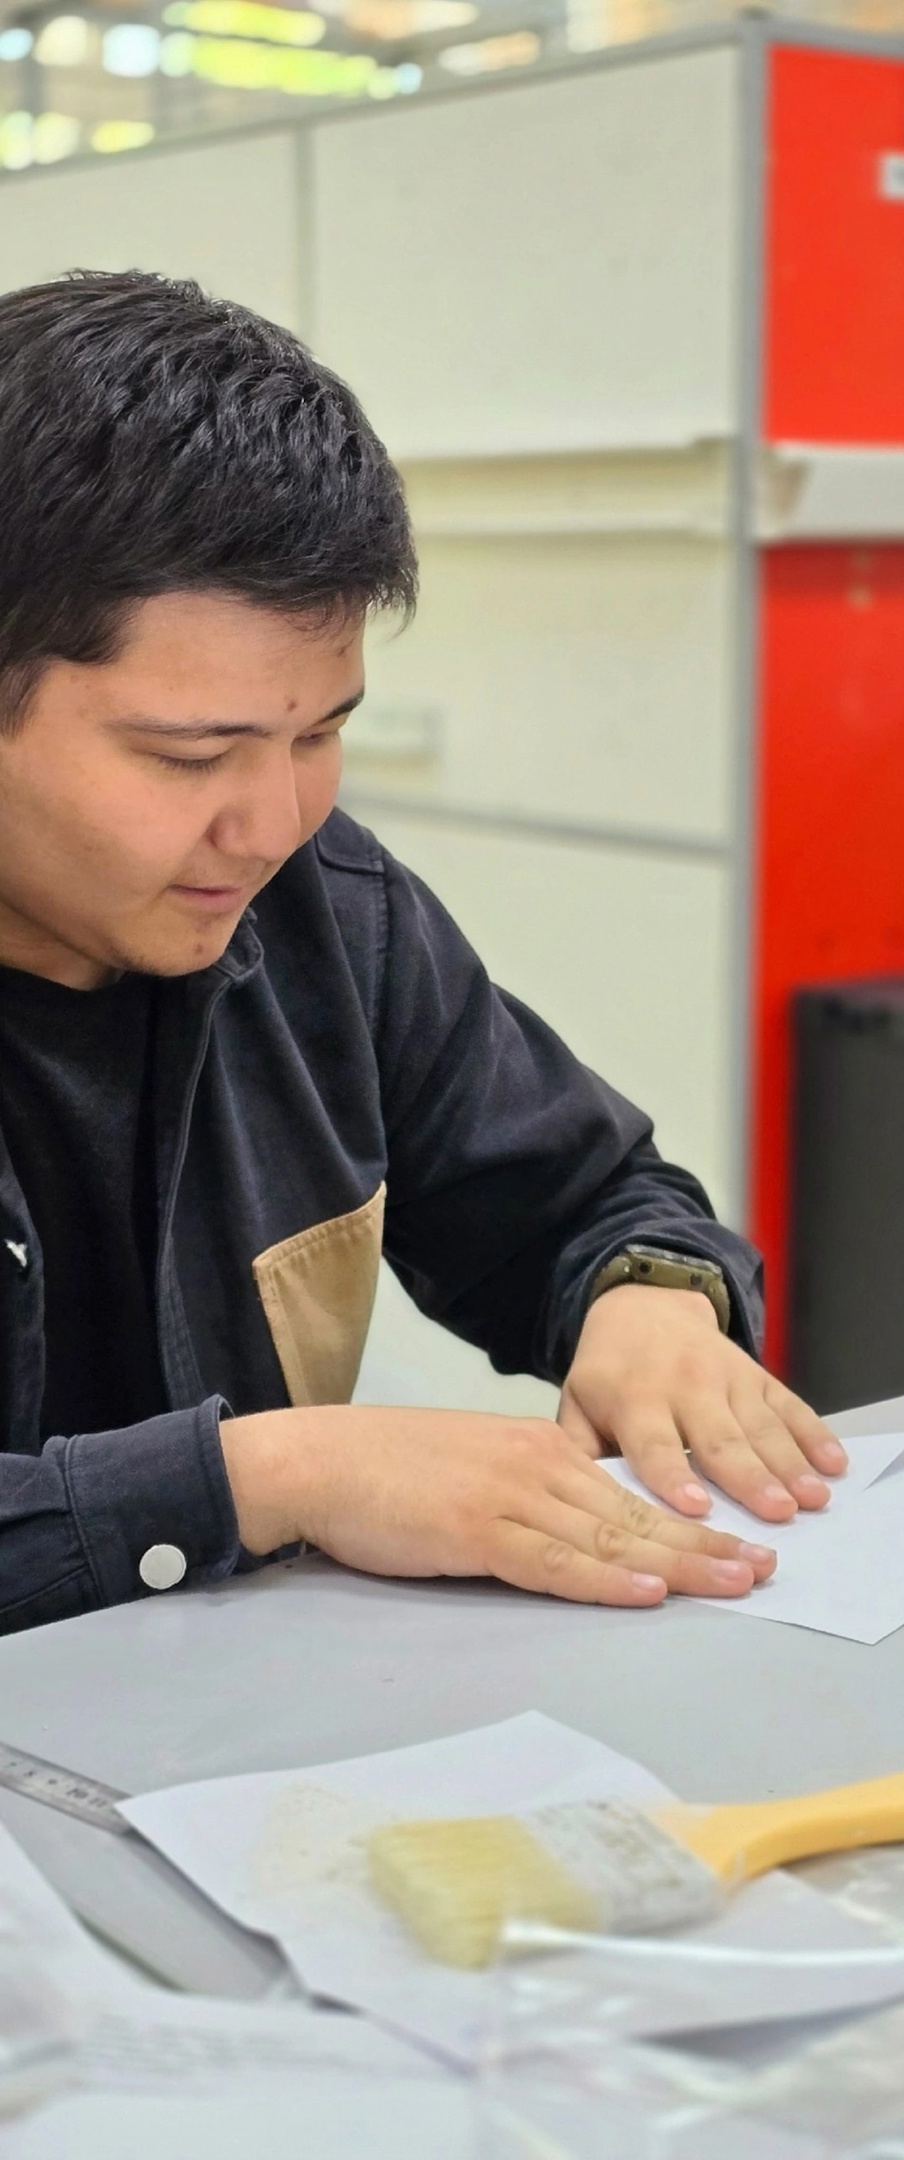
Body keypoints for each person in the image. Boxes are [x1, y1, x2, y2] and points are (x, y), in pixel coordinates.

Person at [0, 271, 845, 1637]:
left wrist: (648, 1304)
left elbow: (587, 1194)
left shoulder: (326, 916)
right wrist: (270, 1480)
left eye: (322, 733)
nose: (272, 824)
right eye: (189, 756)